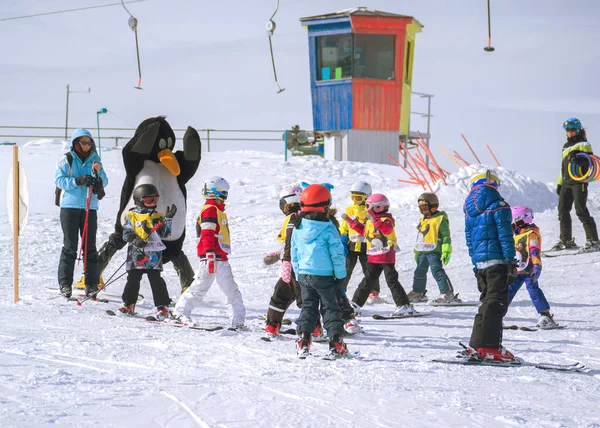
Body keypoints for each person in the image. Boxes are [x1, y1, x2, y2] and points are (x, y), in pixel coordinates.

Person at [173, 177, 246, 328]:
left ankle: (238, 321)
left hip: (220, 258)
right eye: (224, 194)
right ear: (216, 193)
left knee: (231, 289)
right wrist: (210, 255)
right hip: (211, 258)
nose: (225, 198)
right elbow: (207, 233)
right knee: (199, 288)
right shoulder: (210, 210)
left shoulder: (217, 210)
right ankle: (180, 313)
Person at [463, 170, 517, 362]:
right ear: (492, 184)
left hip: (481, 264)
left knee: (486, 303)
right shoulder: (498, 205)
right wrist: (510, 260)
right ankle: (490, 346)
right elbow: (505, 236)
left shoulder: (469, 210)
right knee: (497, 302)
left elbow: (469, 240)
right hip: (497, 262)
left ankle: (477, 344)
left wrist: (476, 265)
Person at [291, 184, 349, 359]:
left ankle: (303, 341)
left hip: (304, 274)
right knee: (330, 308)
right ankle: (336, 344)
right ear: (325, 207)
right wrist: (340, 274)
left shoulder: (298, 226)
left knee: (309, 308)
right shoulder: (328, 227)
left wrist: (298, 272)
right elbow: (337, 253)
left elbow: (294, 251)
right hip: (323, 276)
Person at [54, 128, 108, 299]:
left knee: (89, 248)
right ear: (76, 143)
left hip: (89, 208)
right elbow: (59, 180)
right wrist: (77, 181)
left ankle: (91, 285)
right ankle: (65, 284)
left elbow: (105, 180)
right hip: (70, 207)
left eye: (89, 142)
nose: (86, 145)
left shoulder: (95, 160)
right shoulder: (67, 159)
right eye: (83, 142)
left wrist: (97, 176)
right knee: (70, 247)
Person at [341, 194, 414, 316]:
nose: (367, 210)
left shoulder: (387, 220)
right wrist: (351, 222)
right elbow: (364, 232)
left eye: (369, 207)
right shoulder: (370, 221)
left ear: (379, 207)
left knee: (391, 280)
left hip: (386, 256)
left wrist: (375, 219)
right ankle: (356, 304)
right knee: (367, 281)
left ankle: (404, 306)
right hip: (373, 257)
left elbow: (387, 230)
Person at [119, 184, 176, 319]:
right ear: (139, 200)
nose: (153, 204)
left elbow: (165, 234)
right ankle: (129, 304)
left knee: (156, 280)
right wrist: (135, 240)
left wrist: (168, 219)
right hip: (136, 255)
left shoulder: (157, 216)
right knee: (133, 279)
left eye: (155, 200)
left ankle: (162, 306)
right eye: (150, 200)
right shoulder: (131, 216)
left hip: (153, 256)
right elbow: (126, 233)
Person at [551, 117, 599, 251]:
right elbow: (563, 167)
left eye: (572, 130)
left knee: (581, 210)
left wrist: (578, 159)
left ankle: (593, 241)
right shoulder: (565, 146)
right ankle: (566, 241)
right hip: (566, 182)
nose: (569, 132)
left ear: (578, 130)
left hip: (579, 182)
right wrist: (560, 184)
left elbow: (590, 162)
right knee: (562, 211)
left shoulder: (583, 144)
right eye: (567, 130)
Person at [263, 184, 304, 338]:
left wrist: (286, 260)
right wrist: (278, 254)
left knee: (300, 297)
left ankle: (313, 327)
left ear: (289, 202)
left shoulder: (293, 218)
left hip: (295, 266)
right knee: (283, 293)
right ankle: (273, 325)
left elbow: (291, 241)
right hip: (299, 264)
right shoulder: (301, 216)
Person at [508, 206, 558, 328]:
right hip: (517, 269)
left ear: (520, 220)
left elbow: (535, 251)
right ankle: (497, 315)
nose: (512, 223)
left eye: (514, 220)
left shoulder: (531, 234)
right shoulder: (516, 234)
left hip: (529, 270)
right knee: (507, 291)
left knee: (534, 291)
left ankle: (546, 316)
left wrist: (537, 266)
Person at [409, 192, 457, 303]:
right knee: (419, 272)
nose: (423, 210)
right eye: (421, 208)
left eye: (425, 207)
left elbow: (446, 236)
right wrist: (417, 251)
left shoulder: (440, 219)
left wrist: (446, 250)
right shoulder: (423, 220)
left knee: (436, 271)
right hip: (422, 251)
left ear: (433, 206)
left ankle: (447, 293)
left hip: (434, 251)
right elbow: (421, 236)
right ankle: (418, 292)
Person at [339, 180, 381, 304]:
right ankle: (340, 291)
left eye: (358, 197)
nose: (355, 200)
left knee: (369, 269)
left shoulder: (371, 211)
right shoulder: (349, 210)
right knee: (346, 269)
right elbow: (344, 226)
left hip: (366, 246)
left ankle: (373, 291)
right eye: (353, 197)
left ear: (367, 196)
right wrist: (343, 238)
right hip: (351, 245)